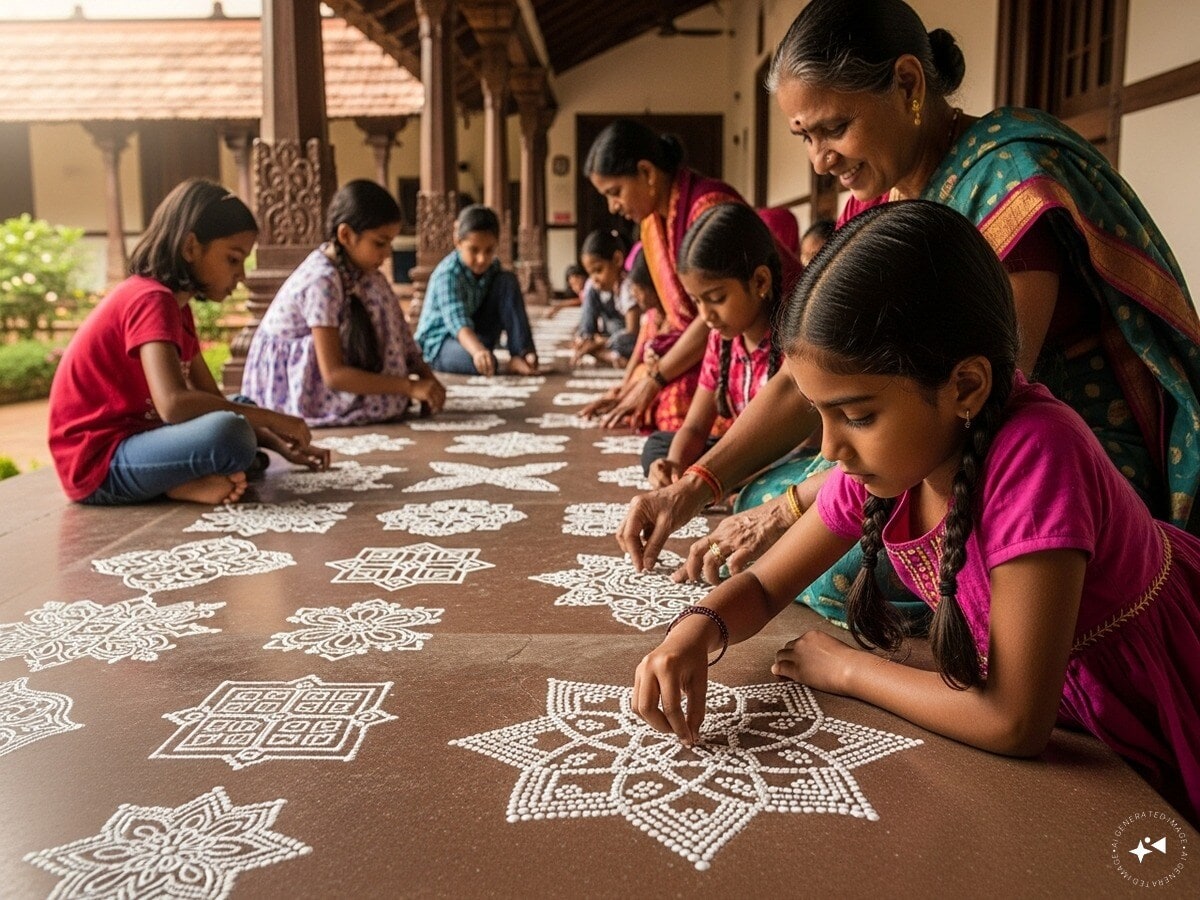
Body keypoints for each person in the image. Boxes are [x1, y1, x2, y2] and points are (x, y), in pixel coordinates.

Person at [619, 0, 1200, 620]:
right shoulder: (876, 198)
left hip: (1037, 463)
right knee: (762, 494)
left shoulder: (1011, 183)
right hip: (914, 445)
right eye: (805, 137)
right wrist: (696, 484)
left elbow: (982, 412)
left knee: (839, 555)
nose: (819, 160)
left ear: (907, 84)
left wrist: (789, 510)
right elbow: (800, 377)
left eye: (834, 128)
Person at [633, 200, 1200, 826]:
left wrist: (849, 668)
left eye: (857, 416)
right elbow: (766, 585)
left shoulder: (1038, 456)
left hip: (1155, 692)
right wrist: (694, 631)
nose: (829, 449)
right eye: (821, 414)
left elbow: (1014, 719)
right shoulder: (896, 462)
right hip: (1065, 690)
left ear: (965, 387)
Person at [48, 179, 329, 506]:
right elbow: (173, 404)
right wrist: (273, 419)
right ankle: (178, 483)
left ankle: (195, 474)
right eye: (233, 259)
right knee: (231, 432)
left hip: (140, 438)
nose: (241, 276)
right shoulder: (151, 299)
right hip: (98, 463)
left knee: (242, 408)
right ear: (190, 247)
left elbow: (210, 396)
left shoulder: (177, 308)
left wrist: (279, 443)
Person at [580, 119, 801, 432]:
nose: (613, 206)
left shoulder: (707, 206)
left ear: (646, 172)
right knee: (643, 392)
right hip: (710, 339)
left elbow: (712, 313)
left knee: (671, 403)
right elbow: (661, 316)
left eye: (615, 192)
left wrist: (655, 380)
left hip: (762, 338)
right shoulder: (652, 224)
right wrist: (629, 383)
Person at [243, 180, 446, 426]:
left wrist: (427, 378)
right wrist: (409, 387)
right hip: (305, 388)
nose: (387, 254)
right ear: (346, 235)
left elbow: (402, 337)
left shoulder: (367, 274)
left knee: (378, 289)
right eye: (380, 243)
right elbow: (333, 375)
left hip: (341, 377)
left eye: (390, 243)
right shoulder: (321, 281)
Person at [641, 204, 783, 485]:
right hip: (739, 457)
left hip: (781, 459)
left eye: (717, 298)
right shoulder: (721, 340)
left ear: (760, 281)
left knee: (798, 471)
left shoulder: (793, 339)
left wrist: (711, 477)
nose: (706, 315)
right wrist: (674, 465)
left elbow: (802, 443)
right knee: (658, 447)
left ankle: (736, 488)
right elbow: (695, 427)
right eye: (697, 301)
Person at [414, 204, 539, 377]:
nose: (482, 259)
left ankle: (521, 354)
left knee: (507, 280)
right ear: (458, 242)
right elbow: (458, 324)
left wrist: (526, 350)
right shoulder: (447, 274)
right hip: (442, 341)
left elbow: (507, 303)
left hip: (476, 333)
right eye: (474, 250)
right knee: (482, 363)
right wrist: (478, 351)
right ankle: (484, 355)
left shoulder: (492, 268)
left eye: (489, 250)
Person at [572, 229, 637, 367]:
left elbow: (632, 332)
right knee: (591, 289)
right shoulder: (599, 287)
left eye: (598, 270)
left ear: (617, 260)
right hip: (611, 332)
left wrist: (601, 343)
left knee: (627, 343)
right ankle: (587, 339)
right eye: (590, 273)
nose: (594, 278)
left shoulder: (628, 286)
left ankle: (599, 350)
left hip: (625, 336)